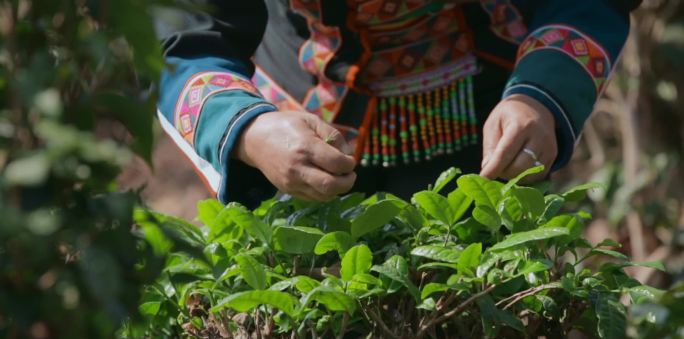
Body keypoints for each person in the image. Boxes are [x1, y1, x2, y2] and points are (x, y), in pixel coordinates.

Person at [156, 1, 638, 208]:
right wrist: (248, 131)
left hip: (494, 121)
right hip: (298, 135)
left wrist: (543, 94)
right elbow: (183, 33)